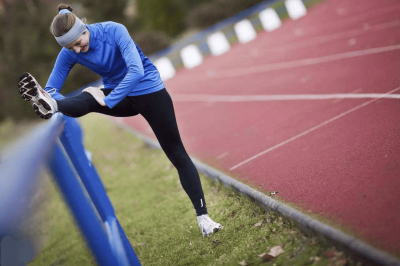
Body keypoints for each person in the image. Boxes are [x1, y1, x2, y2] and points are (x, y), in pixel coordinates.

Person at [18, 3, 222, 236]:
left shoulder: (114, 30)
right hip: (118, 96)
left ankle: (204, 218)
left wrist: (108, 99)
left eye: (78, 43)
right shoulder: (69, 53)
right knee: (85, 98)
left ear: (84, 28)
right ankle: (52, 107)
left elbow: (136, 70)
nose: (76, 50)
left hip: (149, 91)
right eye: (70, 48)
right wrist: (51, 97)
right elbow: (52, 88)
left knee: (176, 152)